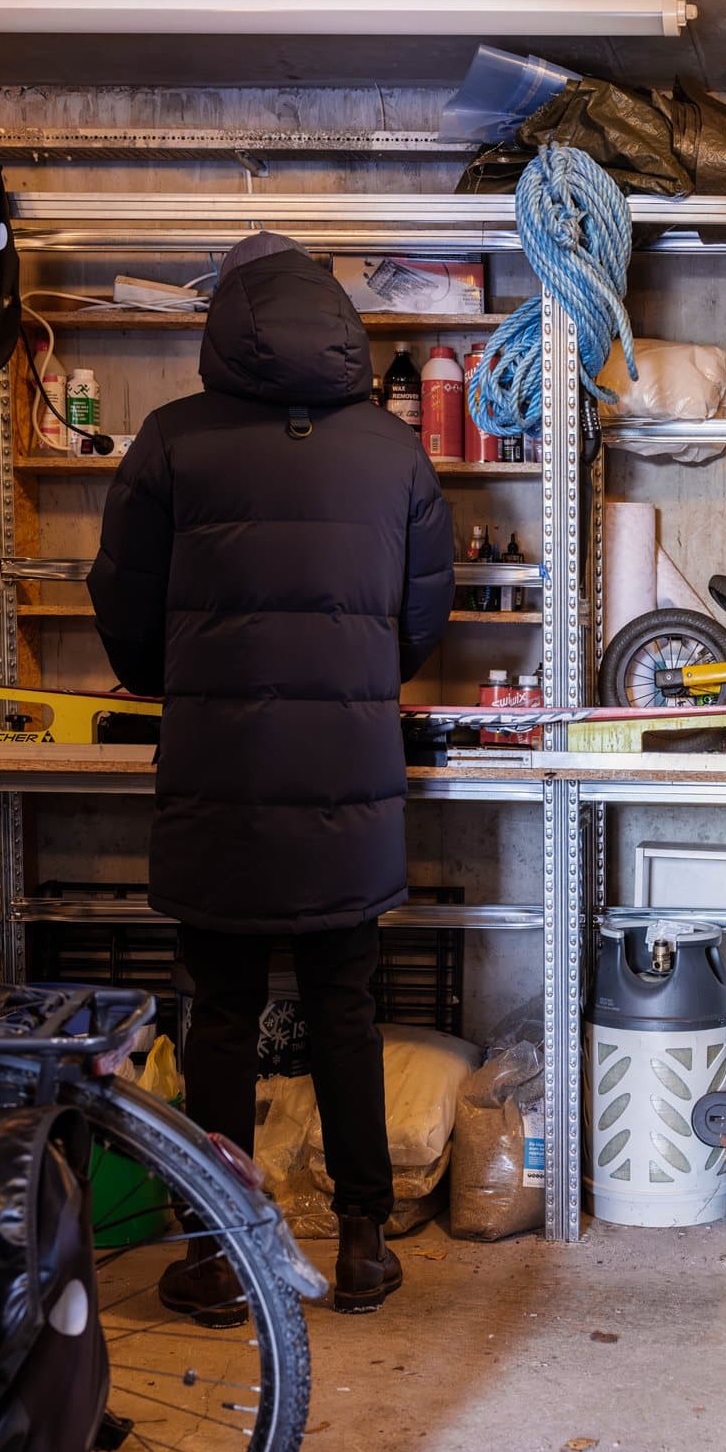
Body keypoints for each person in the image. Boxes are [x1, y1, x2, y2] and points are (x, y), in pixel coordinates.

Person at [89, 234, 454, 1317]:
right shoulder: (394, 452)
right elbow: (420, 617)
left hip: (220, 771)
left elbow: (126, 604)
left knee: (222, 1014)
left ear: (227, 320)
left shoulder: (169, 441)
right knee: (345, 1004)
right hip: (350, 778)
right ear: (334, 319)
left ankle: (216, 1256)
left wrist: (186, 678)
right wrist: (351, 678)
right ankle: (363, 1245)